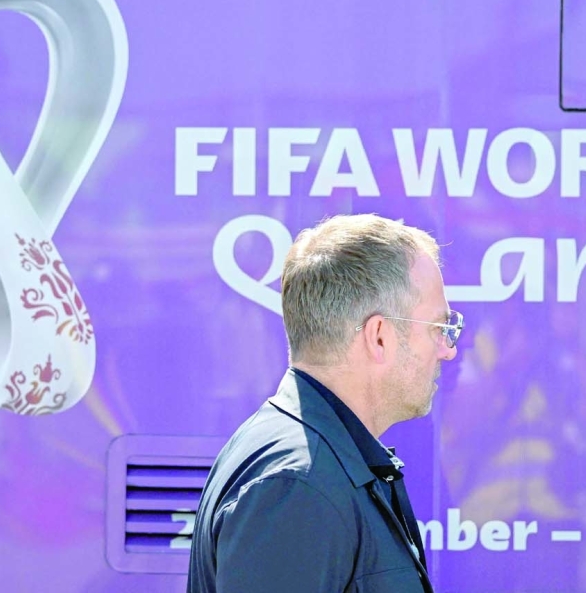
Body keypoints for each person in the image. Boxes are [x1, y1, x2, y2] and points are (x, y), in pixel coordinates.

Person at [187, 214, 463, 593]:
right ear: (379, 337)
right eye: (438, 328)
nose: (448, 350)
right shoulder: (298, 486)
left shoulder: (312, 468)